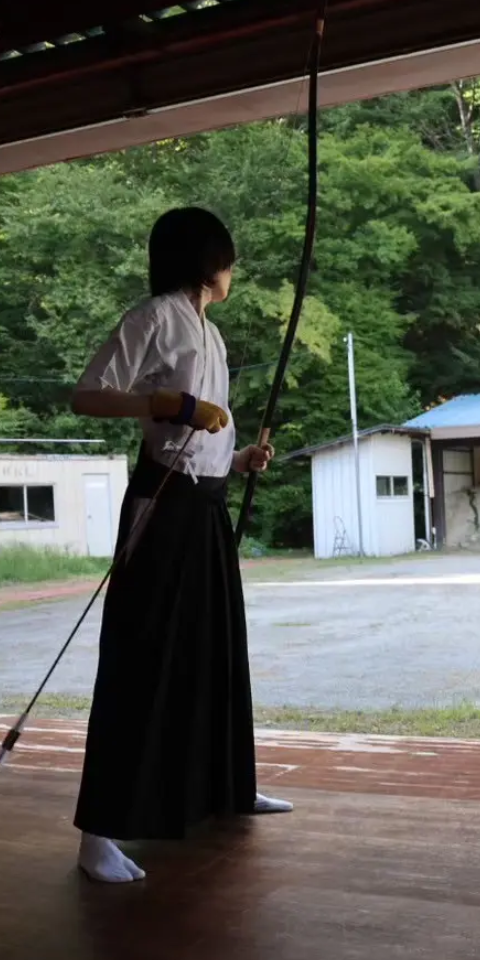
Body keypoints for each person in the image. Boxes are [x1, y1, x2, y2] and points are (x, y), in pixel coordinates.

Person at [68, 206, 291, 884]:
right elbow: (88, 395)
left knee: (213, 651)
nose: (233, 271)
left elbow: (206, 428)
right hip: (162, 503)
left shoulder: (208, 331)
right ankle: (99, 832)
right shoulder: (154, 316)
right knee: (143, 655)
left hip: (205, 506)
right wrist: (165, 405)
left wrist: (240, 458)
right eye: (228, 259)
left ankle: (225, 786)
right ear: (207, 261)